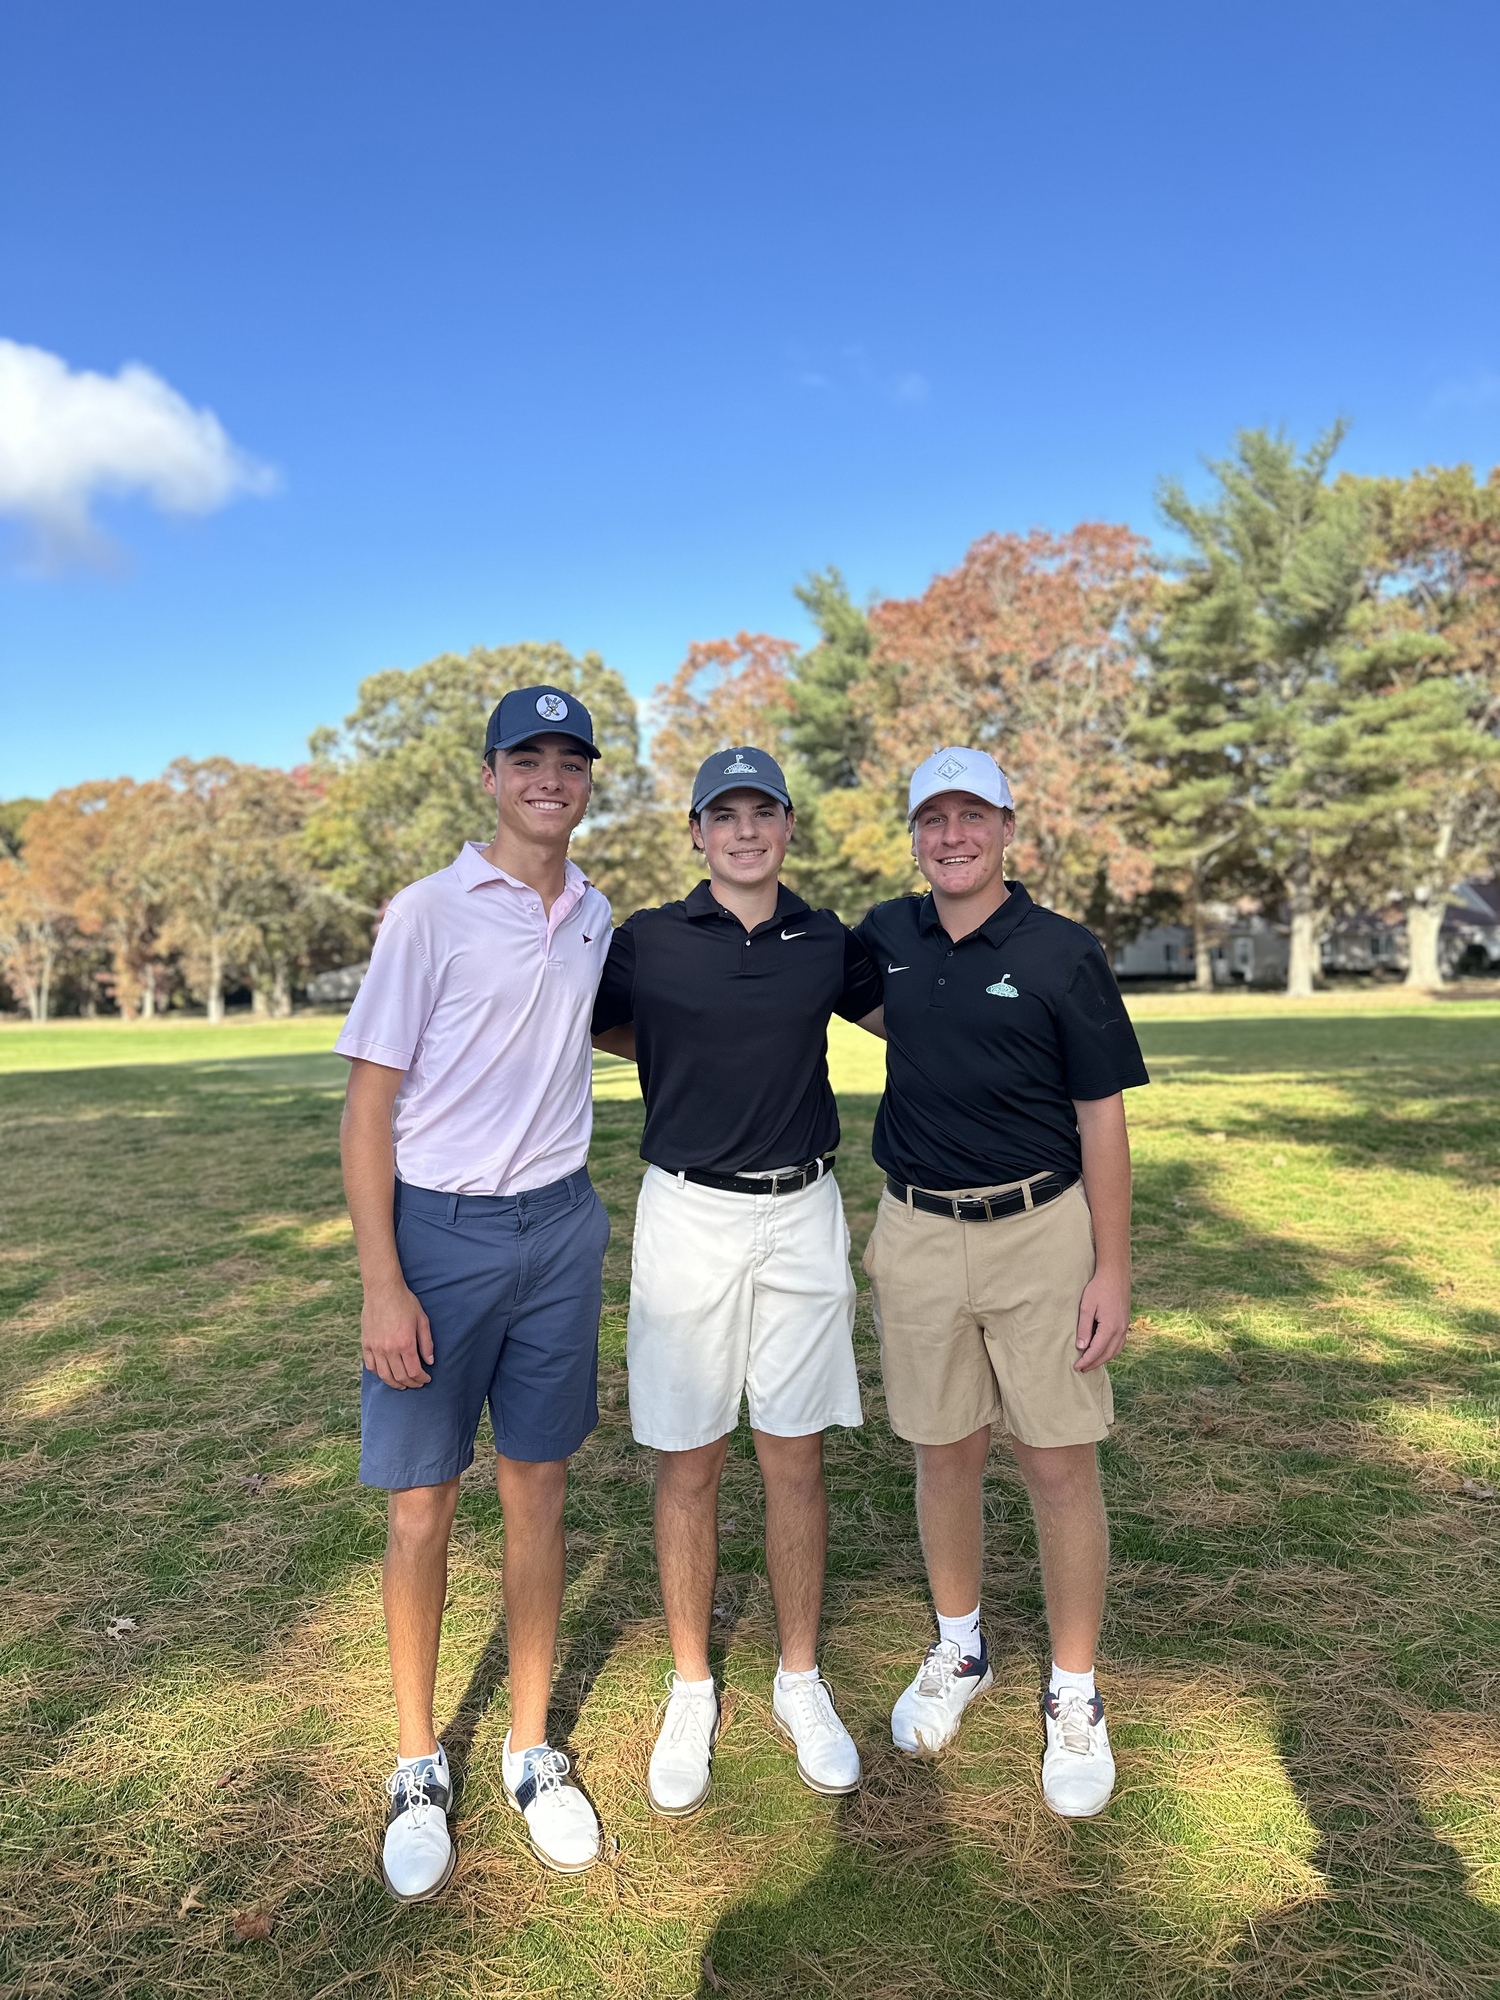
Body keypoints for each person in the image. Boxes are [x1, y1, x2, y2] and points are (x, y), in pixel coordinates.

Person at [337, 684, 613, 1903]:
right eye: (527, 757)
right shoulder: (428, 912)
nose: (549, 775)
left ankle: (530, 1747)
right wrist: (383, 1278)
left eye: (571, 757)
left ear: (589, 779)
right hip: (438, 1237)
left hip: (562, 1226)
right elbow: (367, 1106)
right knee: (420, 1510)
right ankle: (413, 1763)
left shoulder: (597, 913)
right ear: (490, 774)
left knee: (539, 1488)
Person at [852, 746, 1148, 1818]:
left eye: (971, 814)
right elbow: (811, 993)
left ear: (1008, 827)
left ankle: (1075, 1692)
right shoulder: (887, 936)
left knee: (1057, 1459)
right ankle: (961, 1649)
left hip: (1041, 1229)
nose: (952, 835)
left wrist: (1111, 1263)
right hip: (918, 1228)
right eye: (933, 818)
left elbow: (1102, 1111)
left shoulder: (1064, 951)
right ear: (916, 834)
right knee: (945, 1451)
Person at [590, 746, 884, 1816]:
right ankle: (690, 1684)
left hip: (804, 1209)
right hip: (689, 1211)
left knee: (793, 1454)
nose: (746, 829)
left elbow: (912, 1023)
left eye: (764, 811)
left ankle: (799, 1678)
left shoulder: (826, 940)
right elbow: (600, 1022)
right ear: (698, 831)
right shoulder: (650, 939)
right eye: (726, 813)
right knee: (690, 1456)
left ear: (787, 827)